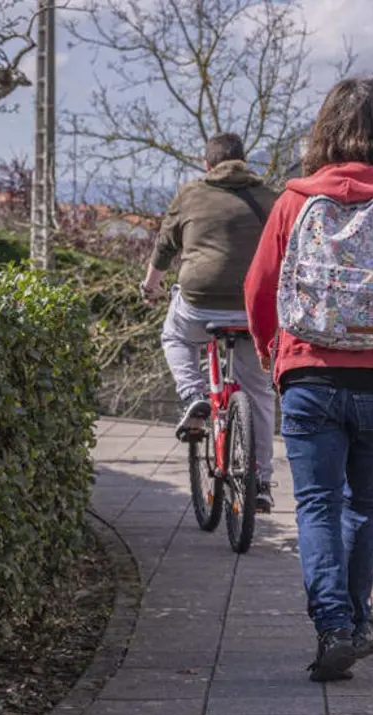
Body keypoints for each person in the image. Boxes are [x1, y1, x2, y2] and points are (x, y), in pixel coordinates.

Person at [243, 77, 373, 682]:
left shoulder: (294, 200)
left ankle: (335, 624)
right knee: (364, 507)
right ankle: (356, 619)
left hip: (306, 374)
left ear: (325, 129)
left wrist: (269, 349)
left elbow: (258, 288)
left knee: (315, 505)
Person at [141, 132, 279, 512]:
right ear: (244, 161)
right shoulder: (272, 197)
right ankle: (262, 481)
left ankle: (193, 395)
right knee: (260, 392)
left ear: (207, 164)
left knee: (175, 337)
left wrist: (150, 287)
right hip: (254, 309)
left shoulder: (190, 194)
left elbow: (166, 245)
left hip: (200, 303)